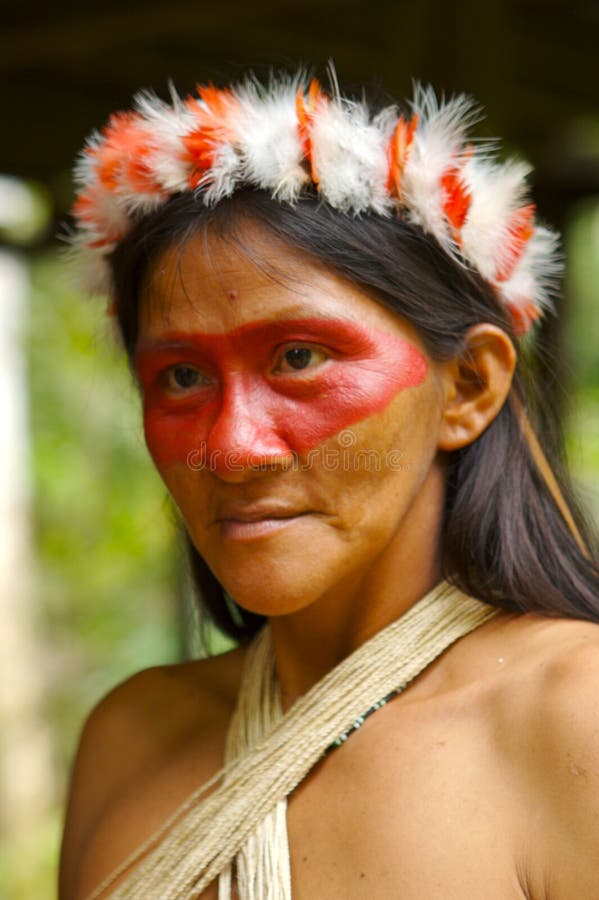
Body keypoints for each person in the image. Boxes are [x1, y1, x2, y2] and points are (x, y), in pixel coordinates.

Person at [59, 69, 599, 899]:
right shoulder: (131, 739)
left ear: (467, 388)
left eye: (299, 358)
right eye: (179, 378)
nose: (233, 450)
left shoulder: (573, 720)